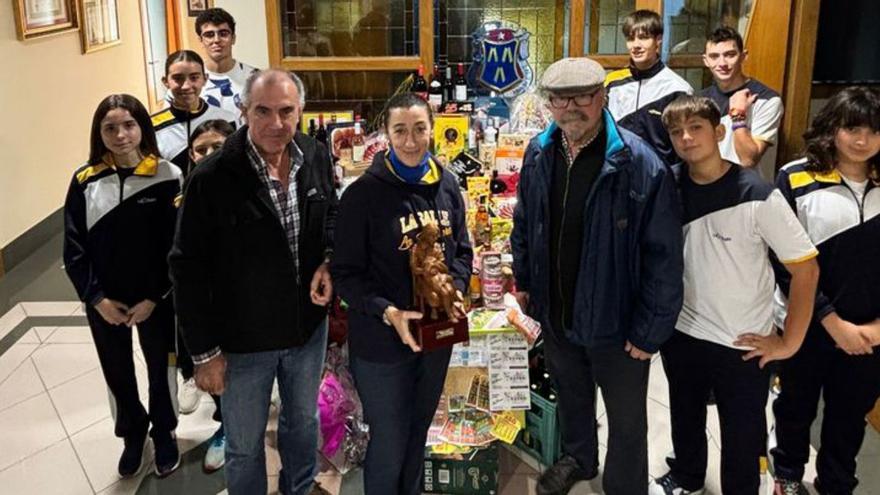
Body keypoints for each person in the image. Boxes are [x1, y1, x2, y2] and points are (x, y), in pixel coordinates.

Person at [510, 57, 684, 495]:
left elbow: (664, 257)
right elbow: (525, 221)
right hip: (557, 311)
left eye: (583, 97)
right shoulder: (539, 152)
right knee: (571, 395)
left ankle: (624, 486)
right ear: (549, 104)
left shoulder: (639, 162)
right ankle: (579, 458)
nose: (571, 108)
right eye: (560, 99)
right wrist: (526, 283)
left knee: (626, 419)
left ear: (602, 96)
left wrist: (649, 330)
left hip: (617, 322)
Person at [169, 69, 337, 495]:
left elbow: (331, 216)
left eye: (286, 111)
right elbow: (187, 268)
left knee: (302, 423)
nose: (275, 123)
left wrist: (329, 261)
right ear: (243, 111)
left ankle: (298, 488)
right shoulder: (212, 178)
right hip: (242, 342)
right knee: (244, 444)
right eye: (263, 111)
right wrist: (204, 354)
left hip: (306, 330)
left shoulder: (315, 155)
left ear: (300, 112)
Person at [648, 95, 819, 495]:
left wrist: (789, 342)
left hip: (742, 340)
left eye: (696, 128)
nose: (686, 138)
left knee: (742, 433)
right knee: (685, 414)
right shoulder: (667, 186)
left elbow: (806, 269)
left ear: (719, 131)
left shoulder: (757, 193)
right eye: (676, 132)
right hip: (683, 330)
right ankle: (687, 476)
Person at [330, 93, 473, 495]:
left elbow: (462, 251)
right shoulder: (362, 196)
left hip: (435, 337)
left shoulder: (447, 185)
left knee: (419, 432)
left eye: (419, 129)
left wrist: (456, 289)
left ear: (432, 129)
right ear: (386, 134)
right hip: (382, 344)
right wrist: (387, 310)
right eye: (400, 130)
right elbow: (345, 275)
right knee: (390, 442)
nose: (411, 141)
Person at [63, 94, 183, 479]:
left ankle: (164, 432)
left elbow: (176, 246)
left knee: (161, 368)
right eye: (110, 128)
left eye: (129, 125)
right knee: (116, 371)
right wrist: (97, 299)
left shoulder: (167, 175)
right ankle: (133, 433)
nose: (120, 135)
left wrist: (155, 297)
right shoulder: (85, 181)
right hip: (105, 301)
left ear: (142, 127)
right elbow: (73, 249)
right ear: (98, 133)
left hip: (155, 299)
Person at [770, 86, 880, 495]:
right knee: (795, 408)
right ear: (833, 127)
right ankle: (787, 476)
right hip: (807, 325)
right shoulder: (797, 178)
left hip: (870, 334)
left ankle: (836, 483)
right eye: (853, 128)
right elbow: (782, 262)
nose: (863, 140)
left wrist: (875, 329)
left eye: (873, 131)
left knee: (850, 416)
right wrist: (831, 322)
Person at [605, 9, 693, 167]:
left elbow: (685, 143)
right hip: (617, 174)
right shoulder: (611, 83)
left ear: (658, 39)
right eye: (630, 39)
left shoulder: (677, 89)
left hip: (661, 176)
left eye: (643, 38)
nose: (636, 45)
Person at [701, 27, 783, 169]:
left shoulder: (767, 100)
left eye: (730, 55)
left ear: (743, 56)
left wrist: (738, 116)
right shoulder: (699, 100)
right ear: (706, 60)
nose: (722, 63)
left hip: (747, 182)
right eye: (714, 56)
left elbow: (747, 161)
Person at [153, 50, 237, 175]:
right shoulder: (153, 126)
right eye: (178, 78)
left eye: (194, 78)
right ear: (166, 81)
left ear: (205, 79)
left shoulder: (227, 118)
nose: (186, 86)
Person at [195, 7, 258, 119]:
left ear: (233, 38)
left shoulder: (256, 78)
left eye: (223, 34)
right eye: (209, 35)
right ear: (201, 40)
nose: (216, 40)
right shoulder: (189, 82)